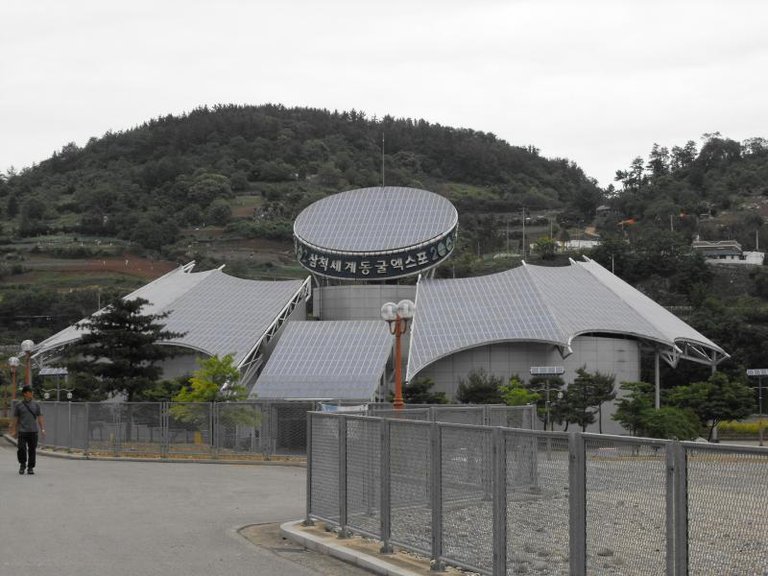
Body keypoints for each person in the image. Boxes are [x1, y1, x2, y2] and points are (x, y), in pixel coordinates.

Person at [10, 385, 45, 475]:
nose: (32, 393)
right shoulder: (19, 405)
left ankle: (30, 467)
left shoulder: (36, 404)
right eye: (30, 392)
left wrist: (42, 429)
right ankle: (22, 465)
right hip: (22, 431)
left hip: (33, 431)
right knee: (21, 449)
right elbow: (15, 418)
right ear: (25, 393)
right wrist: (14, 430)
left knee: (32, 449)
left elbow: (40, 417)